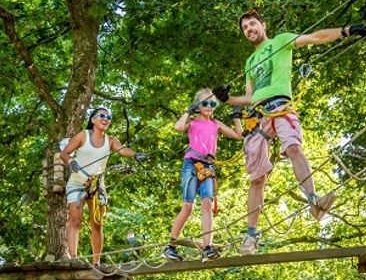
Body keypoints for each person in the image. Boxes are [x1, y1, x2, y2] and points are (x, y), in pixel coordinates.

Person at [213, 10, 366, 255]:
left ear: (263, 25)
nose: (249, 29)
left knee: (294, 148)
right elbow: (250, 96)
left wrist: (345, 31)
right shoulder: (249, 62)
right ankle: (251, 237)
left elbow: (316, 37)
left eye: (252, 24)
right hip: (258, 117)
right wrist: (228, 98)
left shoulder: (280, 41)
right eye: (245, 27)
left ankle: (314, 202)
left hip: (281, 107)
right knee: (257, 179)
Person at [60, 107, 148, 266]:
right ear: (93, 119)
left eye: (109, 117)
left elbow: (122, 150)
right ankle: (74, 259)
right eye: (102, 115)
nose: (106, 118)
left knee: (97, 223)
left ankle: (96, 262)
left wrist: (135, 155)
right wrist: (71, 162)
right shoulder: (82, 136)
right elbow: (64, 154)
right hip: (77, 181)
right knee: (75, 220)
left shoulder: (111, 140)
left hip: (97, 184)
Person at [163, 88, 243, 262]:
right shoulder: (192, 122)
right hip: (191, 163)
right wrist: (188, 112)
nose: (209, 106)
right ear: (198, 105)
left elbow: (239, 135)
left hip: (208, 166)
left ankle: (207, 248)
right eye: (205, 103)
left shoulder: (217, 123)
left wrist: (236, 117)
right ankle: (170, 246)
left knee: (207, 204)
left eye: (212, 103)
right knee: (188, 206)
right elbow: (177, 127)